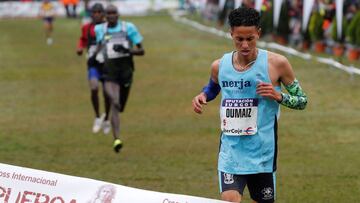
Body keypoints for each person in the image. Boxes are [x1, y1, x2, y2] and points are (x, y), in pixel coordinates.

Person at [192, 7, 307, 203]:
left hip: (262, 153)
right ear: (231, 35)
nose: (245, 45)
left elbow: (303, 101)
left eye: (250, 39)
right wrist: (203, 95)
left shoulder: (277, 64)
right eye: (239, 39)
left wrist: (279, 97)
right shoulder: (219, 66)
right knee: (230, 200)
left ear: (258, 34)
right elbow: (212, 87)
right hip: (231, 151)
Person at [93, 5, 145, 153]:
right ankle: (117, 139)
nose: (111, 16)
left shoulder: (128, 28)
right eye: (108, 13)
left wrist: (127, 50)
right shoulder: (100, 30)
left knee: (120, 106)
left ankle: (112, 120)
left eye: (113, 13)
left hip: (126, 73)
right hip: (109, 74)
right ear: (104, 15)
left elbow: (142, 51)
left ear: (118, 14)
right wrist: (93, 58)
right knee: (115, 103)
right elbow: (99, 46)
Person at [77, 3, 111, 134]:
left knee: (107, 94)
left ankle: (107, 119)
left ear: (103, 14)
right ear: (91, 14)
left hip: (107, 65)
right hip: (93, 64)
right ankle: (97, 117)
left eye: (99, 12)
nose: (96, 14)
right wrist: (80, 48)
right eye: (94, 12)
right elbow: (82, 40)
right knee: (94, 88)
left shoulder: (109, 27)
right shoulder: (86, 27)